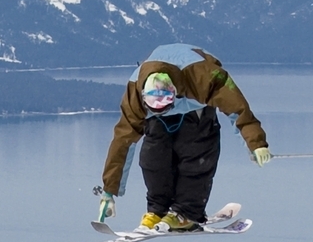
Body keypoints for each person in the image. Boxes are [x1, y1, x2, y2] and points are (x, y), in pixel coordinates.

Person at [95, 44, 269, 232]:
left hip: (196, 106)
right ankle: (158, 210)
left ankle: (187, 212)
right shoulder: (135, 95)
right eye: (155, 106)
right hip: (156, 115)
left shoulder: (203, 77)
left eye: (166, 104)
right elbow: (123, 141)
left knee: (195, 153)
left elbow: (238, 108)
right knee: (153, 156)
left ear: (174, 93)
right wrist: (109, 191)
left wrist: (255, 143)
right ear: (144, 97)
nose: (164, 109)